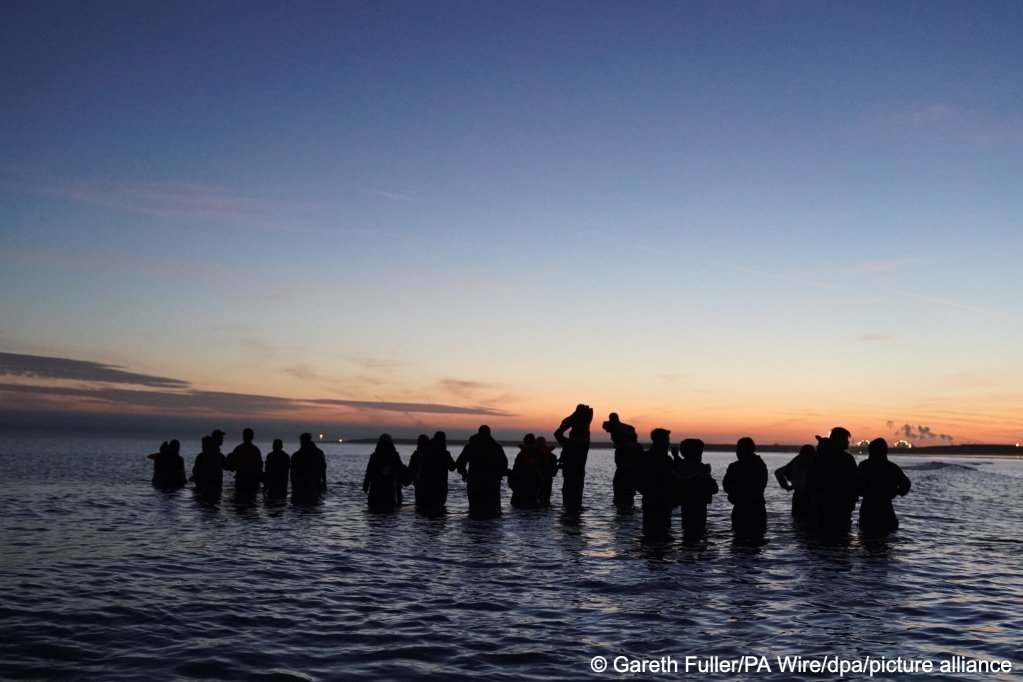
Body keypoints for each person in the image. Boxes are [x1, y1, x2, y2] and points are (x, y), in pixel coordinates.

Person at [808, 427, 859, 532]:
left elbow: (811, 479)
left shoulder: (819, 457)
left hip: (823, 502)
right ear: (838, 441)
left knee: (824, 530)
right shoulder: (847, 459)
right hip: (841, 503)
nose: (848, 442)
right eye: (845, 439)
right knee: (842, 533)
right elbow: (854, 481)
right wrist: (853, 499)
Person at [858, 438, 911, 535]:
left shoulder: (864, 466)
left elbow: (856, 486)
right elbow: (906, 485)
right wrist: (896, 492)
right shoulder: (892, 467)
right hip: (885, 509)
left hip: (868, 509)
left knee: (866, 540)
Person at [456, 425, 508, 516]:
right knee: (493, 511)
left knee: (474, 510)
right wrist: (500, 474)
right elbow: (504, 464)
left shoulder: (471, 446)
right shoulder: (496, 447)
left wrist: (464, 473)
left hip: (475, 482)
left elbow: (460, 463)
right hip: (491, 483)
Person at [672, 438, 718, 537]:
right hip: (699, 507)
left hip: (685, 506)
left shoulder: (679, 468)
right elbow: (714, 489)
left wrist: (676, 457)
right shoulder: (702, 469)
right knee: (699, 533)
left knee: (687, 532)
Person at [722, 437, 768, 534]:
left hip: (742, 508)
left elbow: (726, 486)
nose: (737, 452)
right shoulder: (760, 465)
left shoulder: (735, 467)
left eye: (738, 449)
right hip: (756, 507)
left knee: (739, 538)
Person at [637, 428, 675, 537]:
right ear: (662, 441)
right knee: (663, 530)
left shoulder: (644, 457)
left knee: (649, 530)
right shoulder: (665, 459)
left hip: (651, 499)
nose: (669, 442)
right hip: (661, 500)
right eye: (667, 439)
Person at [555, 404, 593, 511]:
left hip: (570, 474)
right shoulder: (585, 442)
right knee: (575, 503)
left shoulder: (570, 444)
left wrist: (565, 425)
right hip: (578, 475)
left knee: (568, 503)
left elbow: (557, 433)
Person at [412, 431, 457, 511]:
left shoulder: (425, 452)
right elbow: (452, 467)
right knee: (438, 509)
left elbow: (415, 467)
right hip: (440, 486)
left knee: (422, 509)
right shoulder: (445, 454)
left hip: (424, 485)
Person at [363, 434, 406, 511]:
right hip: (390, 489)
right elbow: (400, 469)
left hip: (378, 489)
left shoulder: (374, 456)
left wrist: (366, 485)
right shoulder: (394, 455)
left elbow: (369, 472)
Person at [775, 444, 816, 518]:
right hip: (809, 497)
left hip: (798, 496)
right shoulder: (813, 463)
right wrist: (788, 487)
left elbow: (778, 472)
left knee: (797, 520)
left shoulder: (795, 462)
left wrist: (787, 487)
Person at [509, 434, 548, 509]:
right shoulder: (541, 454)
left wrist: (513, 485)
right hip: (535, 489)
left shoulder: (521, 454)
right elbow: (545, 469)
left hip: (520, 489)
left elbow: (515, 470)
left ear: (524, 442)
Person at [225, 427, 263, 497]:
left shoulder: (238, 449)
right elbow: (260, 466)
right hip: (252, 481)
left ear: (243, 436)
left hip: (241, 480)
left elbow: (231, 466)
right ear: (252, 437)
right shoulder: (255, 450)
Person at [291, 432, 326, 501]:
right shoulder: (318, 452)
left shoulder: (297, 455)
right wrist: (324, 482)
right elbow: (323, 468)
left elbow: (322, 468)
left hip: (311, 482)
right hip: (306, 482)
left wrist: (324, 481)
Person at [191, 434, 225, 498]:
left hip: (206, 486)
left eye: (204, 444)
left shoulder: (201, 456)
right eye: (203, 444)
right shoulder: (218, 455)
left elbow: (195, 471)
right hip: (213, 487)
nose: (203, 446)